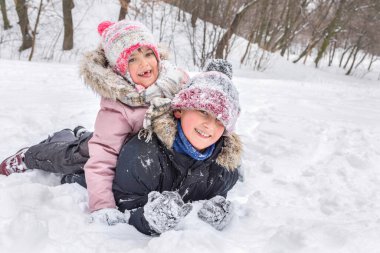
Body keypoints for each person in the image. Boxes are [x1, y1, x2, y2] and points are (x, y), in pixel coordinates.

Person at [0, 20, 189, 225]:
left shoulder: (176, 82)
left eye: (148, 54)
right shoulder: (120, 104)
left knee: (84, 140)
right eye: (132, 59)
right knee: (68, 156)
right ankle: (29, 156)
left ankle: (76, 134)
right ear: (120, 69)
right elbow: (101, 160)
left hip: (131, 153)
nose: (144, 64)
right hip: (108, 151)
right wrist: (102, 206)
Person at [111, 59, 243, 235]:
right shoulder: (144, 157)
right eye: (203, 112)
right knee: (70, 153)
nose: (209, 126)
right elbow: (124, 202)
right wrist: (148, 219)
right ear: (180, 110)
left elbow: (215, 193)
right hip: (92, 159)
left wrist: (215, 210)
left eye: (220, 120)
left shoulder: (224, 169)